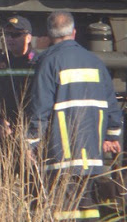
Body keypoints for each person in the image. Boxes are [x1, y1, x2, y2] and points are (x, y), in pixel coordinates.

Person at [26, 11, 122, 220]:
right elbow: (112, 104)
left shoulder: (49, 63)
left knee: (64, 210)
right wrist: (111, 136)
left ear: (50, 35)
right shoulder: (95, 61)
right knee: (87, 205)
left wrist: (31, 143)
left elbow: (40, 108)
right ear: (74, 32)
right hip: (92, 152)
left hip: (62, 152)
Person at [0, 15, 36, 128]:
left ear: (29, 38)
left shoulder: (37, 64)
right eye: (6, 34)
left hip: (28, 127)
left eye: (16, 35)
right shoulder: (0, 64)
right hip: (4, 129)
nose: (10, 38)